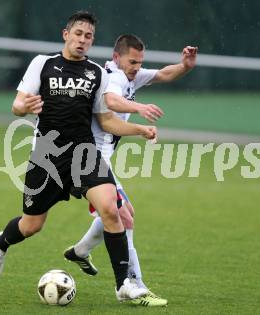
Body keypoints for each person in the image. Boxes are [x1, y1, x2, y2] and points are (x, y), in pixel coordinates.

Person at [0, 12, 158, 302]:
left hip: (84, 152)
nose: (82, 40)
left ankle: (123, 285)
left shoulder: (96, 73)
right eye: (78, 33)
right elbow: (17, 104)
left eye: (88, 36)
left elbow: (106, 121)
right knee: (32, 225)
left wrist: (137, 129)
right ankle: (1, 243)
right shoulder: (43, 63)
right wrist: (22, 107)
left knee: (111, 209)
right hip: (47, 155)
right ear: (66, 34)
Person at [63, 34, 198, 307]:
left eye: (139, 62)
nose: (137, 67)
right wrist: (139, 108)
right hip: (88, 158)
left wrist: (185, 65)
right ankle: (133, 284)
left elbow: (164, 74)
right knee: (124, 218)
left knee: (123, 214)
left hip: (100, 159)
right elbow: (111, 101)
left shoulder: (131, 75)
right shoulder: (112, 77)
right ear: (116, 58)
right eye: (132, 61)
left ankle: (80, 251)